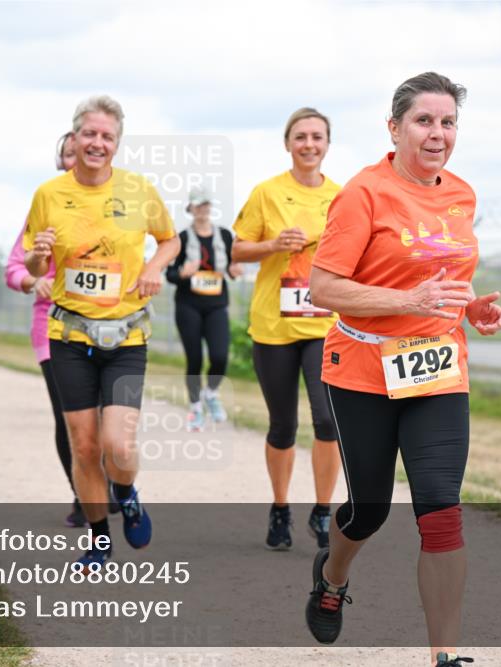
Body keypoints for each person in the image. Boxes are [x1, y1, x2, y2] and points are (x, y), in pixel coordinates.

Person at [305, 72, 501, 667]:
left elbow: (443, 274)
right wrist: (407, 302)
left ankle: (444, 656)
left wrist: (470, 308)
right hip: (363, 367)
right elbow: (323, 287)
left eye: (448, 122)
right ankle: (333, 577)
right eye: (424, 121)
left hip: (438, 368)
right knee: (368, 508)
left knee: (441, 506)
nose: (437, 134)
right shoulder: (364, 193)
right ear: (394, 129)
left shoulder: (462, 193)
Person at [24, 95, 179, 569]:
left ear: (117, 143)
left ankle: (127, 493)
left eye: (106, 136)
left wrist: (154, 267)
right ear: (74, 138)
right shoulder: (49, 195)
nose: (96, 143)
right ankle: (97, 539)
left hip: (126, 337)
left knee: (118, 444)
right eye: (88, 134)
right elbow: (33, 262)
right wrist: (39, 255)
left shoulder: (138, 190)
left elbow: (170, 240)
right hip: (69, 336)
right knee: (84, 444)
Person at [232, 107, 343, 551]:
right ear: (287, 143)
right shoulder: (267, 193)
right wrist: (274, 245)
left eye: (317, 137)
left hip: (324, 323)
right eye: (301, 137)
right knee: (283, 425)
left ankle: (322, 511)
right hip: (274, 326)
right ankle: (280, 508)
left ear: (327, 144)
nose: (309, 144)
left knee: (327, 419)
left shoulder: (343, 196)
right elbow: (237, 250)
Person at [7, 131, 110, 528]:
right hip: (54, 328)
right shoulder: (45, 209)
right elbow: (14, 268)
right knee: (71, 419)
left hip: (108, 329)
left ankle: (106, 484)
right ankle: (83, 494)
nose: (78, 159)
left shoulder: (113, 212)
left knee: (107, 418)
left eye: (82, 152)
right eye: (69, 154)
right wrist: (34, 280)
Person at [166, 186, 242, 431]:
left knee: (220, 357)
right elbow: (170, 274)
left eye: (206, 205)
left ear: (210, 207)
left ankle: (211, 393)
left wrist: (233, 271)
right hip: (188, 305)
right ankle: (196, 408)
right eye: (198, 205)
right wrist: (181, 273)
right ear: (191, 209)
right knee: (195, 359)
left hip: (216, 305)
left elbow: (231, 267)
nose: (202, 209)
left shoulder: (224, 235)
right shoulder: (183, 238)